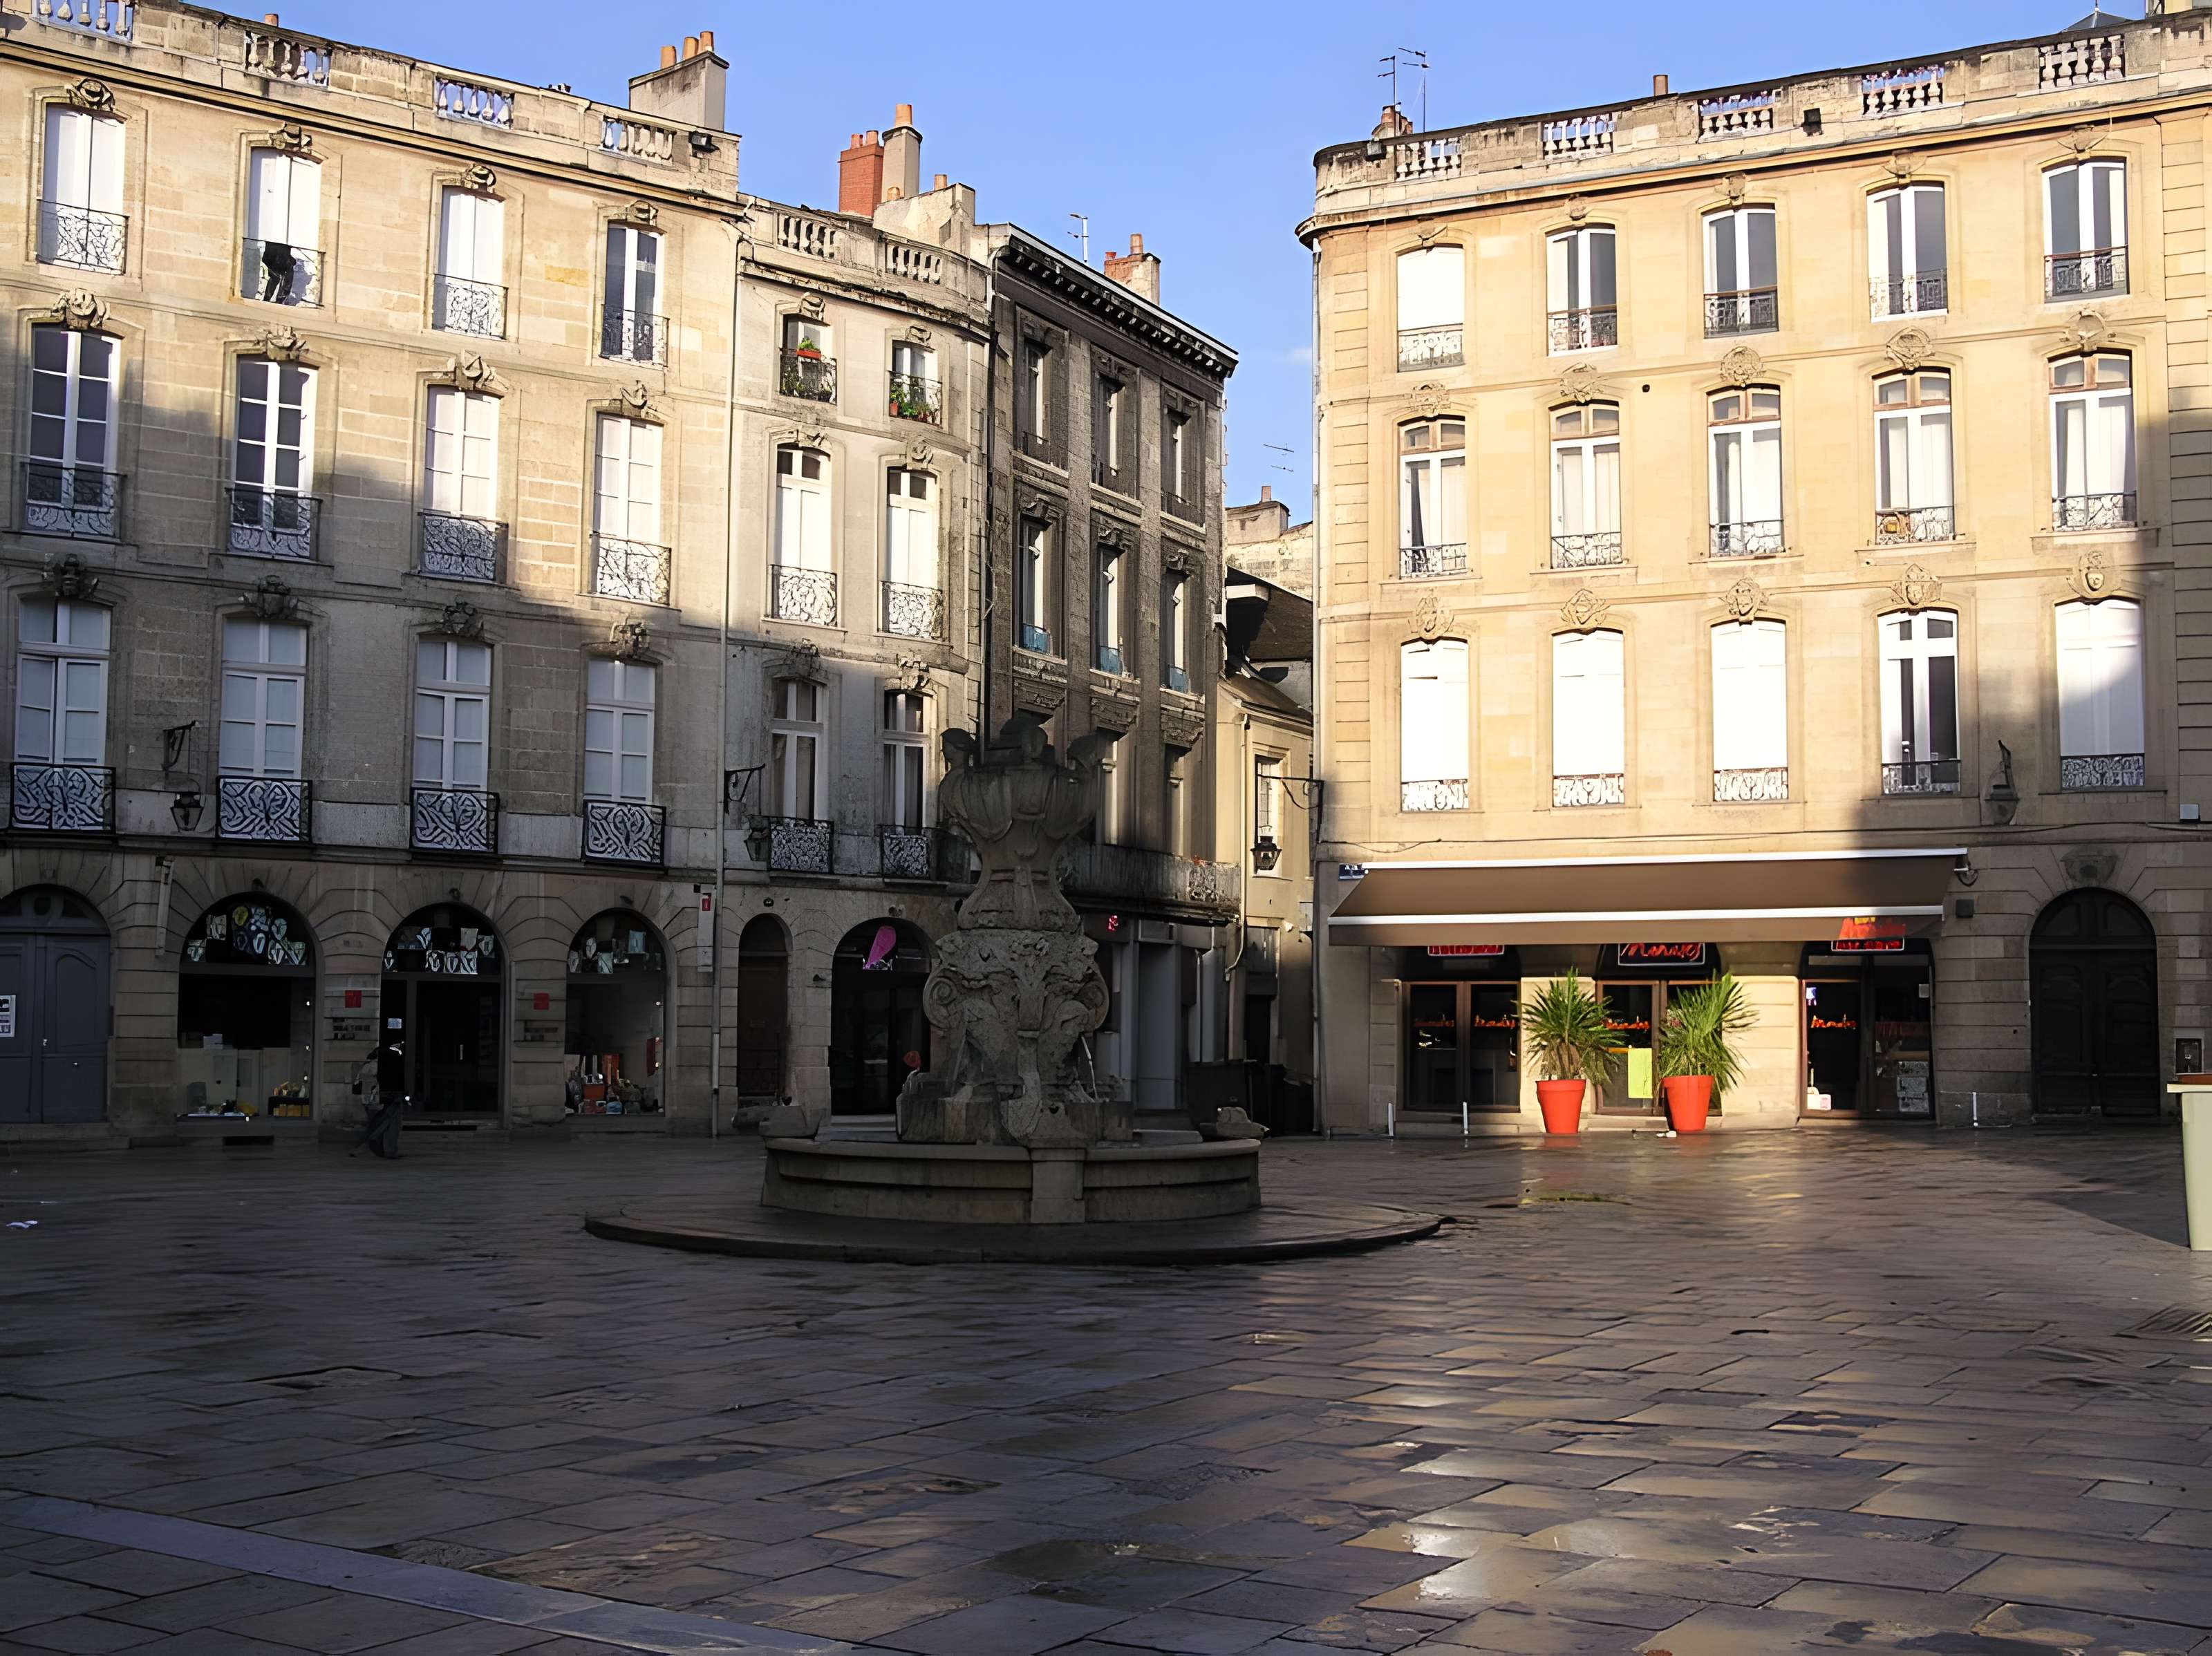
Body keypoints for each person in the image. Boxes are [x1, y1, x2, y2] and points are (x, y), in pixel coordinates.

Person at [352, 1036, 406, 1160]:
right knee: (382, 1124)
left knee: (381, 1123)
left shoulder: (366, 1066)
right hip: (378, 1100)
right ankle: (370, 1148)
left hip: (370, 1101)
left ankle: (385, 1150)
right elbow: (378, 1085)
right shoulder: (378, 1067)